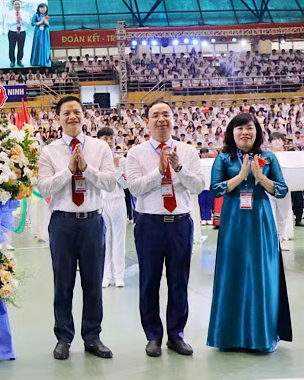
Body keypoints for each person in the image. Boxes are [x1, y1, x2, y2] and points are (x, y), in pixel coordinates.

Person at [36, 96, 116, 360]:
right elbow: (44, 187)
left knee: (93, 283)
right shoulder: (49, 151)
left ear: (84, 116)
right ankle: (64, 338)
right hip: (62, 223)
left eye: (77, 112)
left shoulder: (99, 148)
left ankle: (92, 337)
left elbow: (109, 183)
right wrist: (69, 171)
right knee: (63, 283)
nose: (72, 117)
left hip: (92, 221)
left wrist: (86, 168)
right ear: (58, 118)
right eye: (67, 113)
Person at [125, 101, 204, 357]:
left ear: (173, 119)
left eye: (166, 114)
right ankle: (153, 336)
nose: (161, 119)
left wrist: (178, 168)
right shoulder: (136, 154)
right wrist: (159, 172)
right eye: (155, 115)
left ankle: (176, 335)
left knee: (179, 282)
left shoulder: (188, 151)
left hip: (180, 223)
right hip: (149, 224)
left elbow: (199, 186)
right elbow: (135, 188)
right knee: (149, 282)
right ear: (147, 121)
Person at [207, 113, 292, 352]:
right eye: (239, 128)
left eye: (250, 128)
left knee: (261, 273)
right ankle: (229, 336)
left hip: (260, 219)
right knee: (232, 273)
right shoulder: (223, 158)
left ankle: (261, 336)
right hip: (233, 218)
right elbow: (215, 190)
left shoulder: (268, 157)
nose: (245, 132)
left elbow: (282, 190)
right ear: (231, 133)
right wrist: (241, 177)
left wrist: (261, 178)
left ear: (257, 132)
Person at [96, 127, 127, 288]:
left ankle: (119, 275)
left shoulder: (121, 160)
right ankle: (106, 275)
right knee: (105, 240)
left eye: (111, 139)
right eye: (105, 139)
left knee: (119, 239)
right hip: (102, 202)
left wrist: (117, 169)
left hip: (118, 200)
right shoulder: (96, 161)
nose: (108, 142)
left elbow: (126, 184)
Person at [268, 132, 294, 251]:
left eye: (279, 139)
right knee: (271, 216)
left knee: (282, 216)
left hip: (284, 190)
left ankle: (280, 240)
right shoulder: (266, 156)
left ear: (284, 142)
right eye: (274, 140)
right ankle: (271, 242)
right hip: (269, 190)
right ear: (270, 142)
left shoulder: (289, 157)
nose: (277, 142)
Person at [5, 0, 29, 68]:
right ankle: (12, 61)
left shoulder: (25, 13)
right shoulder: (9, 13)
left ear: (21, 5)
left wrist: (21, 20)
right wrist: (15, 21)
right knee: (11, 47)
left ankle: (19, 60)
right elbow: (7, 23)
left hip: (22, 32)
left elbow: (27, 23)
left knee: (21, 47)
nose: (17, 6)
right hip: (12, 32)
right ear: (13, 5)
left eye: (18, 4)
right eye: (15, 4)